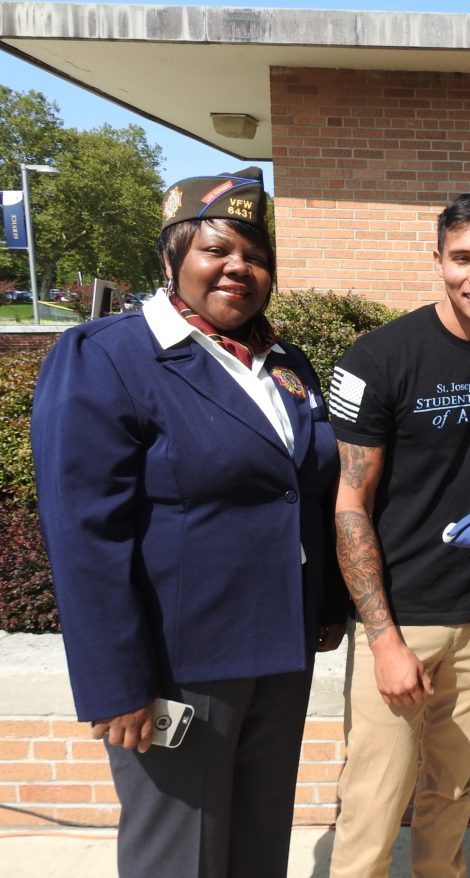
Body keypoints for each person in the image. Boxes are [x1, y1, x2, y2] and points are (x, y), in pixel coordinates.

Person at [31, 166, 347, 878]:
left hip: (278, 654)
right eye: (217, 249)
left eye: (256, 255)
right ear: (173, 257)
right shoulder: (107, 358)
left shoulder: (282, 362)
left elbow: (304, 489)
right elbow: (85, 536)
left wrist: (326, 605)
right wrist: (117, 684)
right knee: (180, 859)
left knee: (257, 848)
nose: (240, 267)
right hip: (179, 667)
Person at [327, 192, 470, 878]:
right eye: (463, 257)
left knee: (451, 791)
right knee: (373, 798)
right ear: (439, 260)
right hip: (402, 621)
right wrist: (383, 637)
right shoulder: (380, 358)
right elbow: (351, 501)